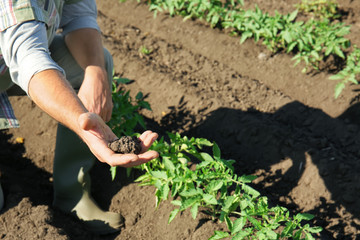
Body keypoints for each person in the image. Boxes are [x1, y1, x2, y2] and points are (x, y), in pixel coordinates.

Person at [0, 0, 159, 235]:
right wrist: (81, 121)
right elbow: (29, 60)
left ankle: (71, 195)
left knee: (94, 62)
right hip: (20, 59)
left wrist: (95, 72)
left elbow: (78, 17)